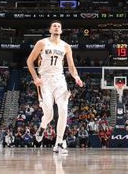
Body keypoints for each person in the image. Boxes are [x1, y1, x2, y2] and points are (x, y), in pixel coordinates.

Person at [26, 21, 84, 154]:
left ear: (61, 31)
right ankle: (42, 127)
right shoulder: (42, 43)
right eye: (54, 26)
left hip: (59, 80)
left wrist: (77, 77)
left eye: (59, 26)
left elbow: (71, 66)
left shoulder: (66, 46)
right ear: (50, 29)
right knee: (50, 115)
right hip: (44, 80)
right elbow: (29, 61)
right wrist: (35, 78)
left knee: (63, 110)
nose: (56, 27)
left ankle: (59, 143)